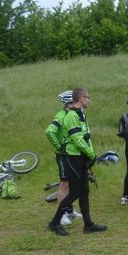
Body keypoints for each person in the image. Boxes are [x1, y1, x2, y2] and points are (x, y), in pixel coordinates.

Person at [47, 88, 106, 236]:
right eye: (87, 97)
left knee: (84, 191)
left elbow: (86, 136)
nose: (89, 100)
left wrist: (89, 155)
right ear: (80, 98)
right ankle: (54, 224)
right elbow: (77, 139)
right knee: (74, 192)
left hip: (81, 157)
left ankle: (88, 225)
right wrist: (91, 154)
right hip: (73, 158)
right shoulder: (71, 116)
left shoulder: (81, 114)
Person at [45, 90, 83, 226]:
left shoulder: (71, 114)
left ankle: (70, 211)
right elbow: (49, 131)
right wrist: (59, 146)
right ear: (69, 103)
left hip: (69, 154)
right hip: (62, 155)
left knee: (71, 183)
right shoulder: (61, 116)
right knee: (64, 184)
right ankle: (61, 215)